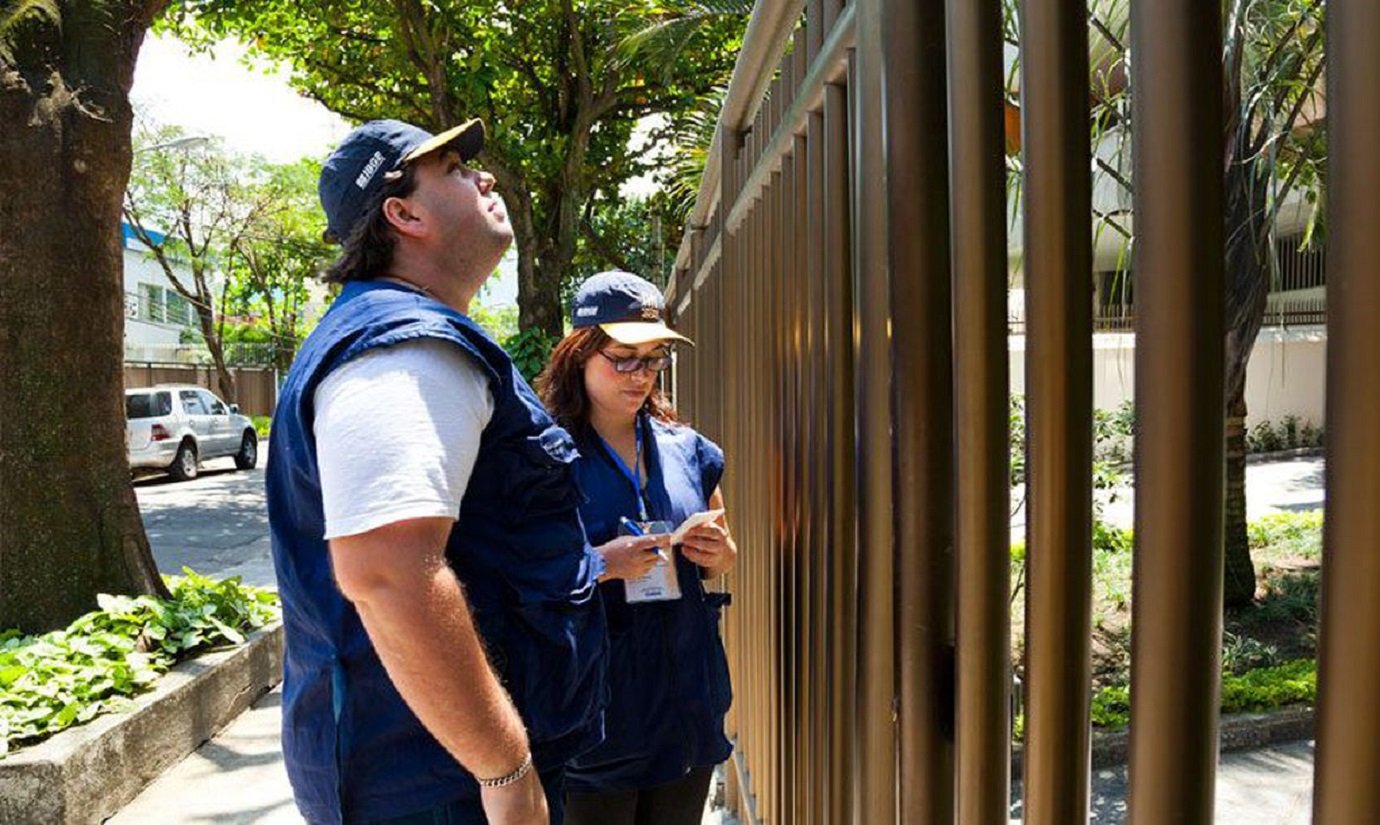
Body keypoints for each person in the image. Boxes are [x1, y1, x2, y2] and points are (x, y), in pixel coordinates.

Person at [266, 121, 665, 825]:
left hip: (437, 770)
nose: (484, 177)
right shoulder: (403, 345)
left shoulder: (407, 334)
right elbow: (386, 570)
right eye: (452, 167)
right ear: (404, 213)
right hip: (440, 784)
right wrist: (505, 766)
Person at [536, 271, 739, 825]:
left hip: (687, 711)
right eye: (623, 357)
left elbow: (727, 556)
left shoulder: (686, 449)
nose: (640, 375)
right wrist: (603, 564)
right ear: (579, 354)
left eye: (652, 359)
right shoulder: (544, 458)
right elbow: (518, 576)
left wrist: (715, 552)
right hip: (597, 720)